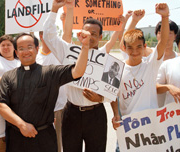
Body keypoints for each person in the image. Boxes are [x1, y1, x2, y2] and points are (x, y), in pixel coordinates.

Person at [43, 0, 129, 151]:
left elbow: (112, 91)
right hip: (71, 114)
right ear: (80, 33)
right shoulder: (68, 52)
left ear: (101, 36)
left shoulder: (106, 58)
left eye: (94, 34)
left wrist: (100, 98)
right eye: (86, 33)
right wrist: (54, 9)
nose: (89, 37)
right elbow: (49, 36)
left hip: (96, 115)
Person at [0, 31, 90, 152]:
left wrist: (85, 47)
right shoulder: (8, 76)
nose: (26, 51)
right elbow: (1, 106)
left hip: (44, 139)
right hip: (16, 138)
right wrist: (22, 125)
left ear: (37, 49)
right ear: (16, 52)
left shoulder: (50, 73)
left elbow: (77, 72)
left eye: (29, 47)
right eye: (21, 48)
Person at [111, 3, 169, 129]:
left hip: (152, 125)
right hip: (129, 127)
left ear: (144, 47)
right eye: (130, 48)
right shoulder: (118, 70)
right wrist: (116, 114)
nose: (135, 52)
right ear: (124, 49)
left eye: (138, 47)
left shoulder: (150, 65)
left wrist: (165, 17)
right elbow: (112, 95)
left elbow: (163, 42)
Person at [36, 31, 67, 152]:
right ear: (41, 36)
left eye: (51, 34)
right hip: (39, 110)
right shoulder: (35, 57)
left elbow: (67, 35)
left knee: (58, 143)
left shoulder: (60, 54)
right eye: (45, 34)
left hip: (59, 108)